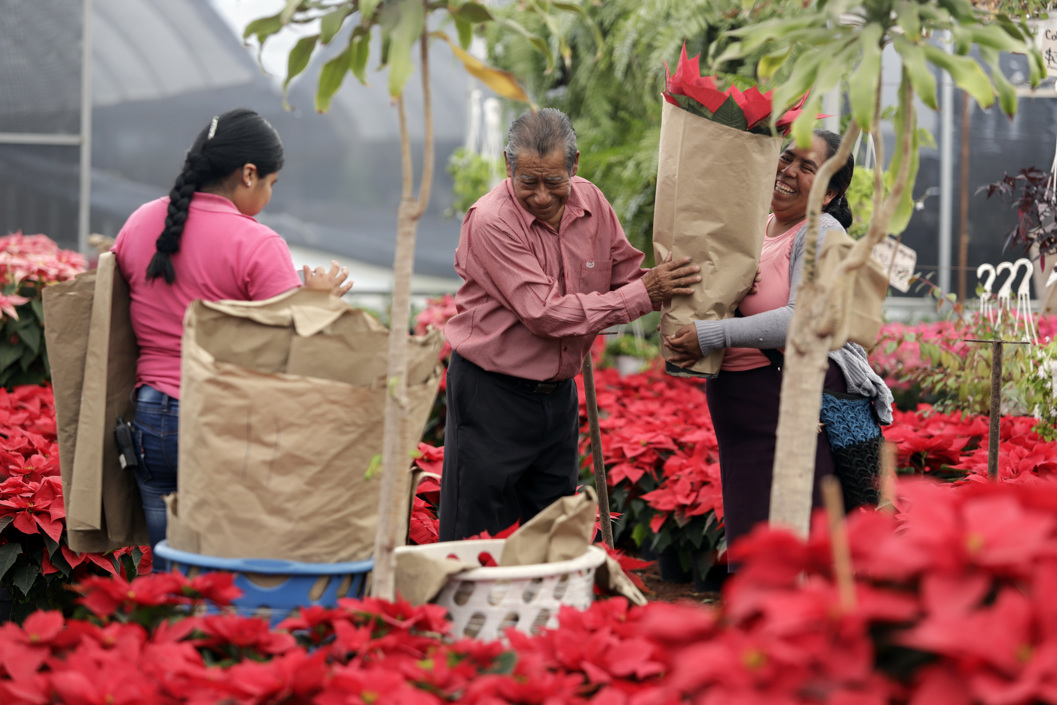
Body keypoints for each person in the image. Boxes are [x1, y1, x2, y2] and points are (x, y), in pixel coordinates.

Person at [438, 107, 702, 542]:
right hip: (491, 396)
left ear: (574, 167)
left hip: (557, 398)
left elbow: (629, 274)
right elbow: (544, 313)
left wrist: (688, 293)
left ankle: (546, 612)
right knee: (477, 535)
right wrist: (645, 294)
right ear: (509, 168)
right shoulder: (491, 221)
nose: (542, 196)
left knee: (553, 531)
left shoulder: (592, 202)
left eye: (554, 182)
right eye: (528, 182)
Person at [112, 108, 352, 564]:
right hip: (221, 424)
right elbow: (293, 346)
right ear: (248, 174)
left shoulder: (140, 222)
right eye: (270, 183)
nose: (268, 194)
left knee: (166, 571)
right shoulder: (258, 244)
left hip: (148, 421)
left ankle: (162, 636)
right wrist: (317, 299)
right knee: (220, 574)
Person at [664, 129, 894, 554]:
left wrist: (710, 335)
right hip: (742, 412)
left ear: (829, 194)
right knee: (754, 543)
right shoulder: (755, 221)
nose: (788, 171)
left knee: (794, 546)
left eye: (809, 167)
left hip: (790, 408)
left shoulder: (820, 231)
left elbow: (801, 319)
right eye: (786, 158)